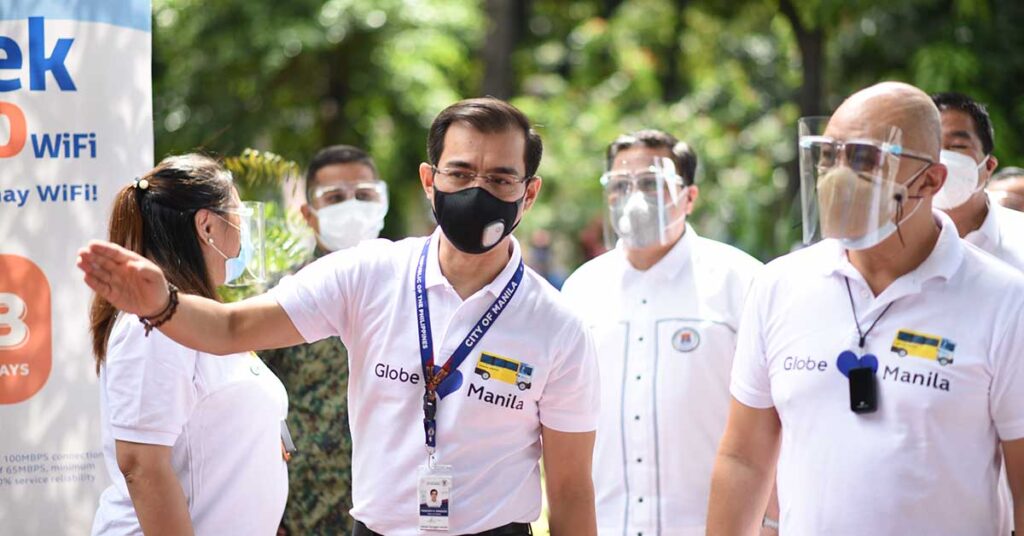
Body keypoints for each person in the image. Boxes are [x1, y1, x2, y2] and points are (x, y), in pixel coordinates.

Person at [78, 98, 600, 536]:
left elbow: (571, 489)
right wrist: (161, 304)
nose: (478, 192)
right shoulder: (368, 274)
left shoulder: (558, 327)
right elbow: (231, 328)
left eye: (500, 179)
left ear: (528, 194)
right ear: (428, 179)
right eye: (460, 173)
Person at [706, 82, 1024, 534]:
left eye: (864, 158)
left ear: (930, 180)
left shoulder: (1005, 303)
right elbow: (743, 459)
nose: (839, 175)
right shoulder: (779, 285)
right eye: (829, 156)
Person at [560, 130, 763, 536]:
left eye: (652, 183)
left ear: (688, 197)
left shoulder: (740, 282)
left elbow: (770, 426)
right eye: (620, 185)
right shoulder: (580, 290)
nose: (634, 196)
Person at [89, 155, 288, 535]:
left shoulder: (200, 319)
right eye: (238, 217)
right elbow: (141, 466)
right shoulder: (152, 327)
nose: (244, 233)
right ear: (207, 224)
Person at [261, 145, 388, 536]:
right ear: (308, 215)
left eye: (364, 195)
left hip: (393, 506)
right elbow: (252, 405)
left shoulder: (413, 290)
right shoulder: (282, 298)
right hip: (307, 508)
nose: (352, 206)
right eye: (334, 198)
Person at [931, 92, 1024, 270]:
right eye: (929, 146)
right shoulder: (888, 243)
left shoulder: (1020, 238)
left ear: (989, 166)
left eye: (957, 146)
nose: (941, 159)